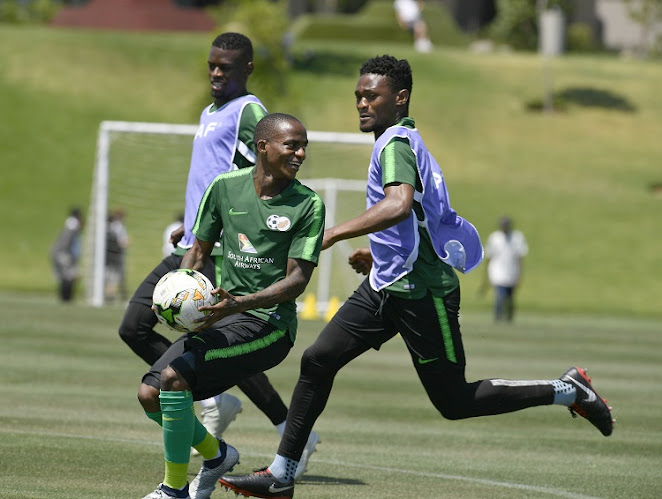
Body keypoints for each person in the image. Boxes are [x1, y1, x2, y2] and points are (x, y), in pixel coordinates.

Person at [219, 55, 614, 499]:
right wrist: (381, 251)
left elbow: (399, 204)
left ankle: (568, 389)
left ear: (400, 98)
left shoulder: (395, 146)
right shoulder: (397, 140)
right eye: (358, 96)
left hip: (424, 293)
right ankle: (282, 474)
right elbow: (420, 215)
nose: (362, 104)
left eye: (372, 95)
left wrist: (332, 233)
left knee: (454, 402)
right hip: (387, 285)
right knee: (317, 361)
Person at [117, 32, 320, 486]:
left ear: (246, 69)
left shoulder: (250, 111)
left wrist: (237, 227)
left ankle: (263, 424)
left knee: (220, 341)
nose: (215, 72)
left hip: (226, 255)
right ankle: (216, 408)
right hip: (194, 241)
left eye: (225, 67)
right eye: (211, 65)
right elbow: (217, 180)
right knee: (139, 328)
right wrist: (192, 224)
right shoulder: (211, 112)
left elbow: (266, 164)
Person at [481, 215, 528, 322]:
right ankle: (497, 318)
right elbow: (489, 256)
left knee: (510, 298)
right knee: (500, 297)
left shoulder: (517, 237)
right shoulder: (494, 238)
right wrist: (486, 275)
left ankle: (509, 318)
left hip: (512, 272)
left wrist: (520, 274)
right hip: (497, 272)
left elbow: (520, 257)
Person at [50, 206, 82, 303]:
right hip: (63, 253)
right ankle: (66, 298)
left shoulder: (69, 224)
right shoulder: (72, 225)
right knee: (69, 276)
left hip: (60, 253)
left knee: (66, 276)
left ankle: (65, 298)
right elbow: (69, 243)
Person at [105, 208, 130, 302]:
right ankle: (113, 295)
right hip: (117, 255)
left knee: (110, 275)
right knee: (116, 276)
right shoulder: (119, 227)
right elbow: (123, 242)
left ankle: (111, 294)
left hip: (108, 256)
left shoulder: (110, 226)